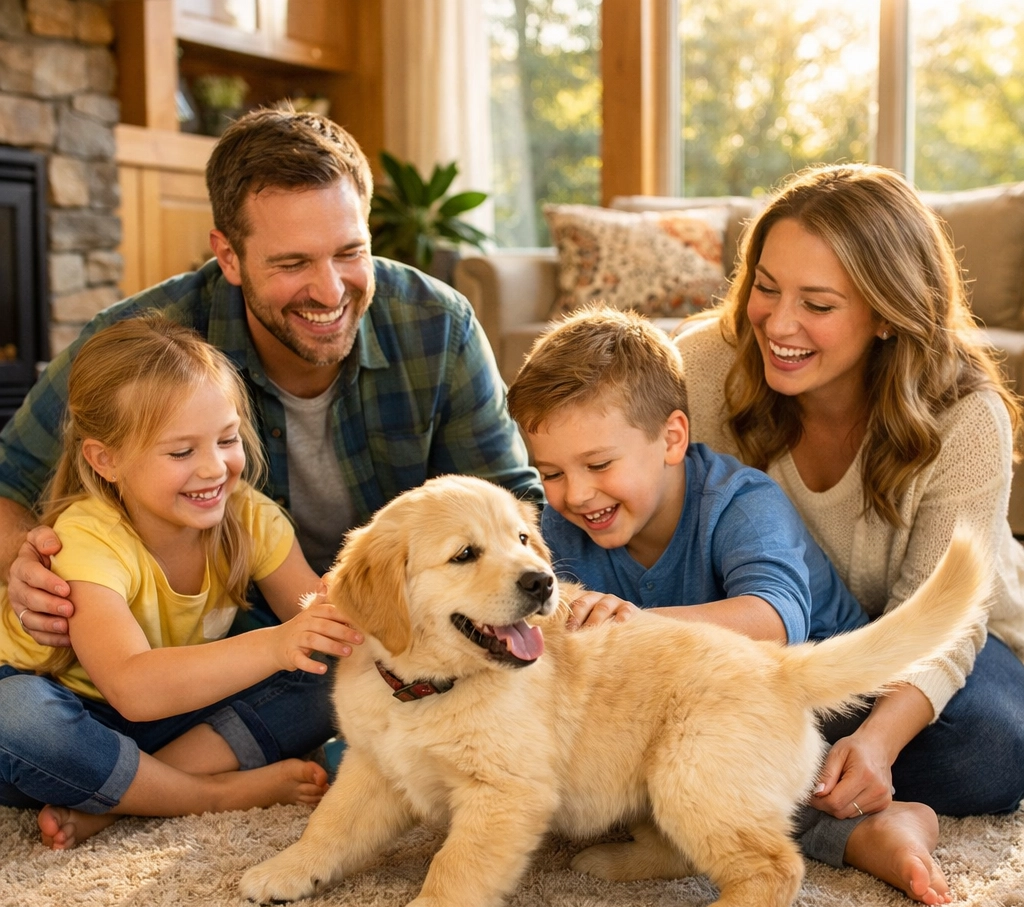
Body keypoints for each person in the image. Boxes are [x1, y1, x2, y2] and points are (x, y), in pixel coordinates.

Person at [0, 106, 541, 654]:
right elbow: (7, 485)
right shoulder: (138, 349)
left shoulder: (438, 325)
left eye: (350, 252)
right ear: (228, 257)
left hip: (371, 635)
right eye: (292, 264)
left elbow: (513, 503)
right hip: (204, 648)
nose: (330, 293)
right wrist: (34, 564)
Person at [675, 162, 1024, 906]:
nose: (778, 323)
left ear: (889, 311)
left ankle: (792, 786)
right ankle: (861, 829)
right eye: (765, 287)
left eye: (819, 304)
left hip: (925, 641)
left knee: (995, 747)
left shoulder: (965, 417)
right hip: (783, 648)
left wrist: (878, 742)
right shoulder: (705, 364)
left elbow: (947, 621)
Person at [0, 316, 363, 849]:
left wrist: (340, 605)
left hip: (180, 721)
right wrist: (280, 643)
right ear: (107, 460)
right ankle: (208, 794)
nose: (215, 468)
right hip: (71, 712)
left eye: (227, 439)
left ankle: (127, 795)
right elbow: (133, 688)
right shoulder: (85, 538)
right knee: (18, 719)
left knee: (332, 668)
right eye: (181, 452)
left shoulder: (250, 518)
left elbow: (311, 613)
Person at [506, 305, 866, 643]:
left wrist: (635, 625)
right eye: (551, 474)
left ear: (671, 439)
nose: (576, 495)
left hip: (834, 691)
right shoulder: (560, 529)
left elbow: (775, 618)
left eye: (599, 465)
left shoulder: (741, 505)